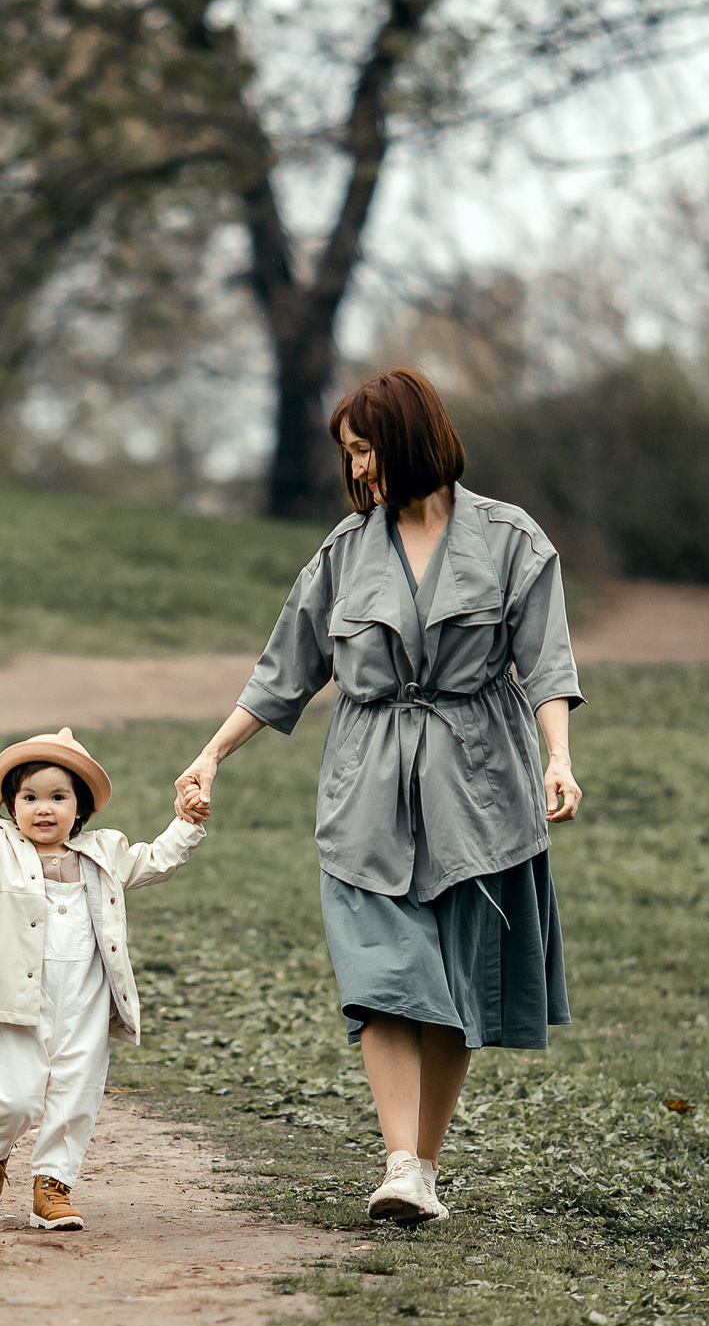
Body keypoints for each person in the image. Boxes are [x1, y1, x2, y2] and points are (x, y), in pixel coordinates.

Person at [173, 367, 583, 1226]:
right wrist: (212, 754)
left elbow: (546, 662)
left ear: (409, 439)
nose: (357, 470)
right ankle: (399, 1162)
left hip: (479, 790)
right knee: (384, 971)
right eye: (349, 455)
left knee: (455, 985)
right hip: (367, 789)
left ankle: (422, 1169)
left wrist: (559, 757)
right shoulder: (345, 551)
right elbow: (284, 671)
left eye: (366, 450)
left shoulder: (511, 540)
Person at [0, 727, 204, 1230]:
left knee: (76, 1093)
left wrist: (186, 822)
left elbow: (155, 860)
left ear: (81, 809)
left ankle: (52, 1187)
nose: (43, 809)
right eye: (29, 798)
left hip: (85, 1001)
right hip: (19, 1000)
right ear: (11, 807)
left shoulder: (104, 852)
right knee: (13, 1096)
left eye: (58, 797)